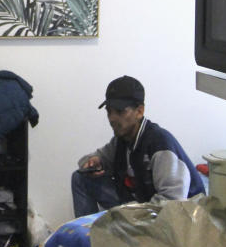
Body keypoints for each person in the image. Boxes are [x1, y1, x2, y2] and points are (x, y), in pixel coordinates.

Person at [71, 75, 205, 217]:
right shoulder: (120, 141)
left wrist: (131, 216)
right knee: (81, 178)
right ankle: (85, 234)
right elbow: (86, 162)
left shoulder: (160, 144)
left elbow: (172, 202)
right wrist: (94, 161)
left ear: (139, 111)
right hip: (142, 205)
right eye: (109, 111)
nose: (112, 118)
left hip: (182, 218)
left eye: (120, 111)